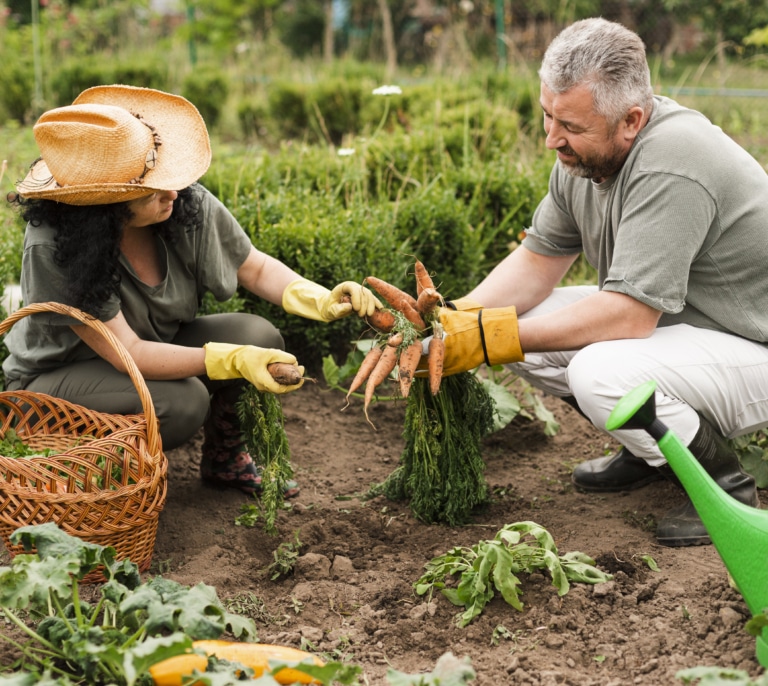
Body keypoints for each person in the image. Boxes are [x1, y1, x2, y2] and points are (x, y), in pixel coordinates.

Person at [429, 17, 768, 547]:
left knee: (598, 369)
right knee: (524, 325)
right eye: (547, 117)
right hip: (691, 326)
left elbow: (629, 315)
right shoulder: (582, 157)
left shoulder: (673, 161)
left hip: (751, 342)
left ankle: (724, 487)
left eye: (571, 127)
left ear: (631, 120)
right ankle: (647, 449)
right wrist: (455, 317)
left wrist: (491, 338)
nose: (551, 139)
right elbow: (539, 260)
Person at [4, 84, 381, 497]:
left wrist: (322, 300)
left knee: (257, 335)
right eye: (148, 191)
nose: (171, 192)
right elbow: (129, 352)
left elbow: (252, 266)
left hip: (149, 350)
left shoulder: (181, 202)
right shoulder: (55, 244)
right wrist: (231, 360)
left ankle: (224, 461)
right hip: (57, 382)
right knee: (182, 402)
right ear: (104, 205)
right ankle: (95, 484)